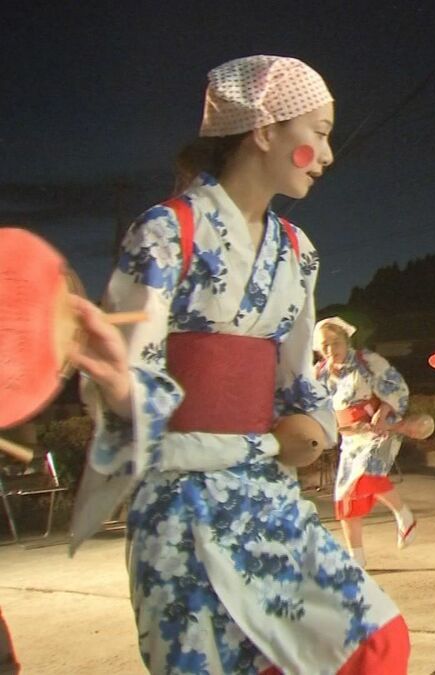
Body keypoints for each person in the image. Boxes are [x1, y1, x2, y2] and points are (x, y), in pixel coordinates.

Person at [66, 56, 409, 673]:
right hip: (180, 498)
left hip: (263, 484)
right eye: (321, 131)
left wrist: (308, 422)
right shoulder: (167, 231)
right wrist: (117, 382)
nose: (328, 154)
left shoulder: (298, 252)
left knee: (372, 642)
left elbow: (298, 374)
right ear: (265, 130)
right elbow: (131, 368)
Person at [315, 316, 417, 567]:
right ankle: (356, 560)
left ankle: (404, 515)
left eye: (335, 343)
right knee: (346, 499)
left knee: (367, 475)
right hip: (351, 437)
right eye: (324, 345)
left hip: (380, 431)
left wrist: (383, 412)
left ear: (346, 340)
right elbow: (318, 411)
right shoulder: (319, 373)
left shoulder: (366, 360)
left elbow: (397, 387)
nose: (330, 349)